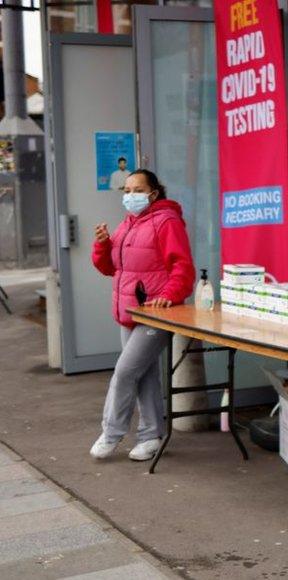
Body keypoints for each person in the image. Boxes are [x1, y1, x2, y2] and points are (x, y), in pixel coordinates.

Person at [90, 169, 195, 461]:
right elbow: (112, 268)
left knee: (125, 372)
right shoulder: (128, 224)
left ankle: (111, 432)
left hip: (156, 314)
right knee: (145, 375)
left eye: (137, 190)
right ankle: (151, 436)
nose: (130, 196)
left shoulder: (167, 221)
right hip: (130, 311)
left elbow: (183, 267)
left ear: (153, 193)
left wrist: (169, 296)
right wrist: (102, 245)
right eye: (126, 190)